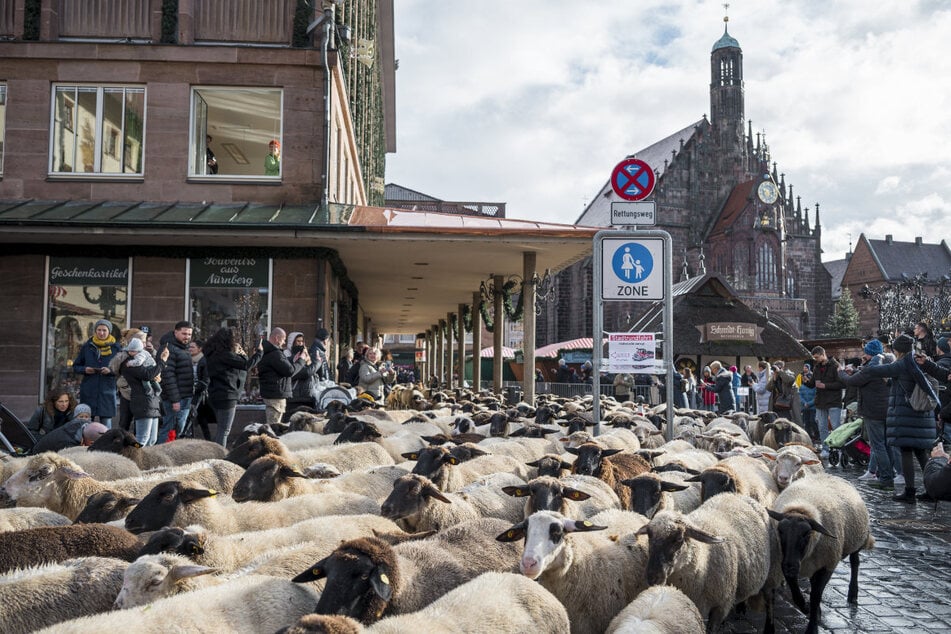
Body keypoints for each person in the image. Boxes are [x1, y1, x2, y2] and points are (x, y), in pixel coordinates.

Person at [860, 334, 939, 502]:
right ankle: (932, 490)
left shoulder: (904, 363)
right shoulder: (918, 360)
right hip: (921, 415)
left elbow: (877, 371)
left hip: (908, 415)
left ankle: (909, 492)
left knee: (906, 452)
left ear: (899, 350)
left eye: (895, 349)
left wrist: (870, 364)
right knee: (921, 453)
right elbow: (899, 383)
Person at [838, 339, 895, 489]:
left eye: (866, 352)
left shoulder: (871, 368)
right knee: (887, 445)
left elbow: (851, 381)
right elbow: (864, 376)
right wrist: (856, 371)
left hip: (873, 412)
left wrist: (841, 372)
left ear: (870, 354)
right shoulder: (886, 364)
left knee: (878, 446)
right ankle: (890, 474)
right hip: (887, 411)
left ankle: (886, 478)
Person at [203, 327, 263, 447]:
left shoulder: (212, 354)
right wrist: (259, 352)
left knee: (221, 428)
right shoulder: (225, 355)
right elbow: (246, 365)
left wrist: (241, 354)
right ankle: (220, 455)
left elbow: (242, 364)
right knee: (224, 431)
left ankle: (217, 452)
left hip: (215, 394)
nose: (236, 342)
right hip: (227, 395)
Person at [72, 319, 120, 429]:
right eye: (99, 330)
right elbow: (76, 366)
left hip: (107, 390)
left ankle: (106, 446)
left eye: (104, 330)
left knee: (106, 427)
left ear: (109, 332)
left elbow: (122, 369)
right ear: (95, 331)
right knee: (86, 424)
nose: (101, 333)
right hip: (89, 390)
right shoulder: (87, 346)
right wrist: (85, 369)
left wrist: (110, 371)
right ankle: (84, 446)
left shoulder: (116, 348)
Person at [120, 338, 168, 446]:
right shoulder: (129, 363)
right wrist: (162, 362)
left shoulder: (143, 357)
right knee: (142, 438)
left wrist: (157, 374)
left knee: (152, 439)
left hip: (152, 401)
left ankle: (145, 460)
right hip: (142, 402)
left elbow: (151, 374)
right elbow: (147, 375)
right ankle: (134, 454)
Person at [257, 327, 308, 425]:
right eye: (283, 339)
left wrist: (294, 360)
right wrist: (301, 360)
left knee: (274, 425)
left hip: (272, 394)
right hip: (276, 396)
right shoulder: (275, 353)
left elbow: (281, 367)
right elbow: (290, 371)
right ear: (277, 338)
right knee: (274, 427)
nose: (284, 342)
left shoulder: (269, 351)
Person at [158, 321, 195, 443]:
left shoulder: (182, 348)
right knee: (169, 429)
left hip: (184, 396)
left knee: (177, 430)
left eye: (189, 334)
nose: (187, 337)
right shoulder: (170, 348)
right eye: (184, 333)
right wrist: (175, 400)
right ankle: (159, 456)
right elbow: (168, 376)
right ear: (176, 332)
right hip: (175, 398)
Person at [804, 346, 844, 454]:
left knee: (836, 426)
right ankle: (826, 449)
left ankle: (838, 448)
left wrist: (825, 385)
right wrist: (806, 381)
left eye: (817, 357)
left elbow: (842, 384)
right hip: (820, 401)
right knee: (822, 427)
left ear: (823, 354)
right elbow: (813, 384)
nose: (816, 359)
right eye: (814, 358)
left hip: (834, 401)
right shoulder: (816, 368)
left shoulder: (835, 365)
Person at [110, 328, 149, 432]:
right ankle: (122, 445)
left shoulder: (146, 354)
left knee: (139, 424)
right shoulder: (123, 356)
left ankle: (135, 445)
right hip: (127, 392)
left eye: (145, 342)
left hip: (140, 394)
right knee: (125, 422)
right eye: (142, 342)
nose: (145, 345)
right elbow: (114, 369)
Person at [30, 405, 107, 454]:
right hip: (39, 456)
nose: (84, 419)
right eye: (81, 416)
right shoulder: (69, 441)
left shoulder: (80, 427)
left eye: (86, 417)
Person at [286, 331, 317, 414]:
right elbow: (304, 372)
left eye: (302, 341)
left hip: (306, 393)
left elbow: (310, 371)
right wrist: (316, 364)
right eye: (298, 341)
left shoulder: (305, 353)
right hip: (294, 394)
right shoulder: (287, 354)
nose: (300, 343)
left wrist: (308, 361)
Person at [797, 363, 818, 442]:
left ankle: (816, 434)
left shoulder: (814, 387)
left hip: (812, 407)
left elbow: (816, 396)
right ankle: (808, 436)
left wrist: (809, 403)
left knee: (813, 421)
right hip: (805, 406)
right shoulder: (802, 387)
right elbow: (800, 395)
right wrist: (804, 403)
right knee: (806, 422)